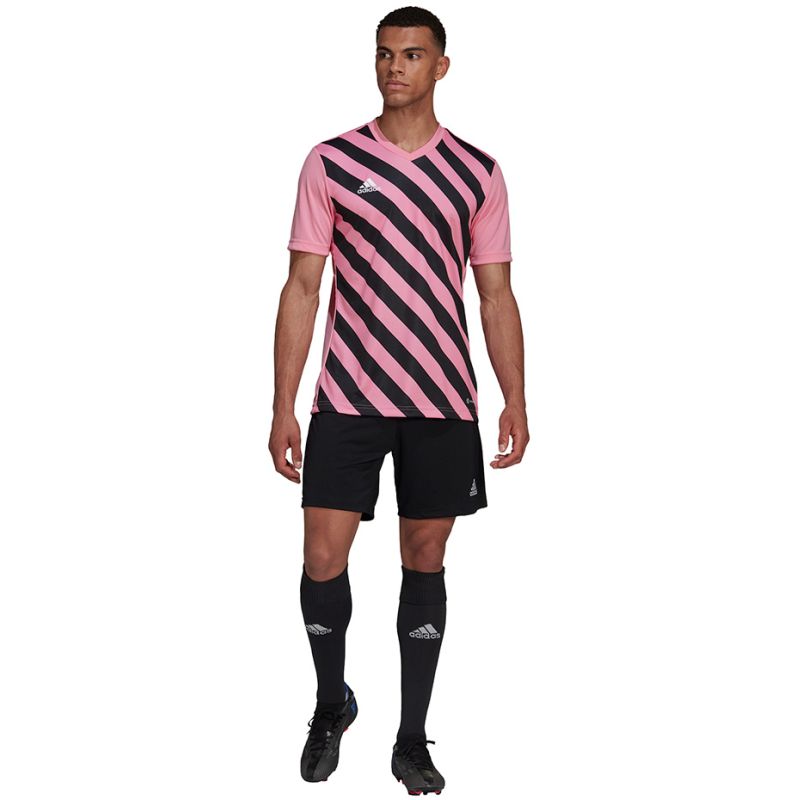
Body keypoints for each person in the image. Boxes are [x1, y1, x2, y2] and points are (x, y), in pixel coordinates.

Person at [269, 6, 529, 794]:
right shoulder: (331, 161)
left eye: (412, 55)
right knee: (322, 558)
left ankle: (411, 738)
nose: (395, 67)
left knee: (425, 558)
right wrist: (282, 406)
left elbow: (495, 295)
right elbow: (303, 286)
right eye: (385, 54)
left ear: (441, 66)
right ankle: (332, 702)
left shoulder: (478, 172)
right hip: (348, 394)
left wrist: (515, 397)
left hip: (441, 400)